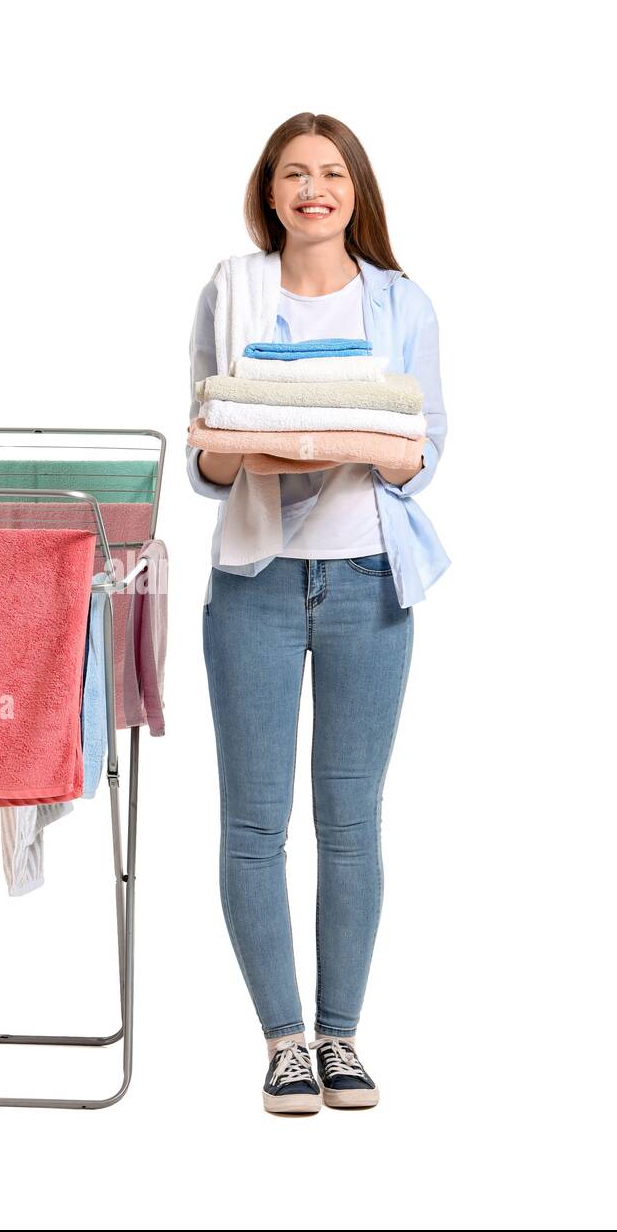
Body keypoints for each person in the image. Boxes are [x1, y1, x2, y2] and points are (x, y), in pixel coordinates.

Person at [187, 112, 450, 1115]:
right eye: (293, 173)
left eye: (330, 172)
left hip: (367, 583)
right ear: (268, 192)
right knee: (254, 822)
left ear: (355, 190)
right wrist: (301, 440)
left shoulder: (401, 301)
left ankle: (340, 1036)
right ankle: (283, 1042)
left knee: (350, 820)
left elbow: (419, 448)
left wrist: (312, 436)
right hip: (254, 586)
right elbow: (208, 450)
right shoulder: (231, 289)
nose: (312, 189)